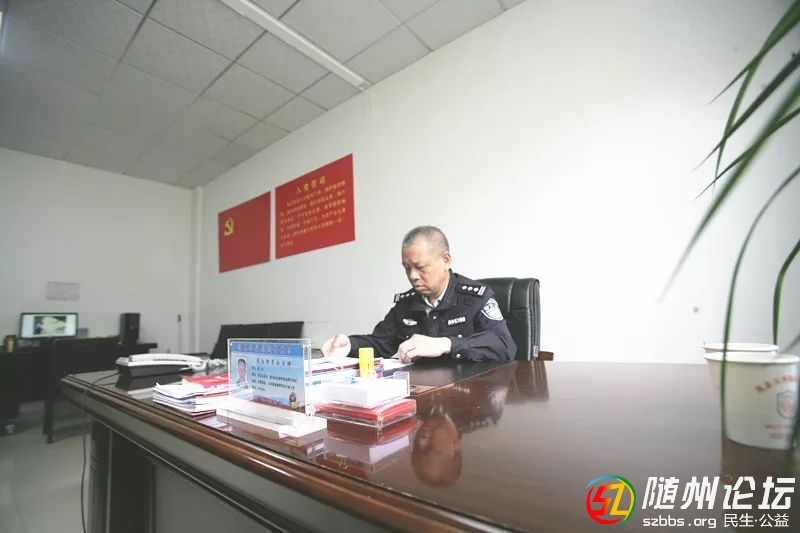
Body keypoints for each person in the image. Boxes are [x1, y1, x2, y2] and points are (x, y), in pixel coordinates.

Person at [321, 226, 516, 363]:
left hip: (468, 395)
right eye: (407, 268)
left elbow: (505, 345)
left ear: (446, 260)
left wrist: (446, 344)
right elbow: (381, 342)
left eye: (420, 267)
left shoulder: (475, 298)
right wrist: (349, 345)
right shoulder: (406, 304)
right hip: (423, 393)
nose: (413, 276)